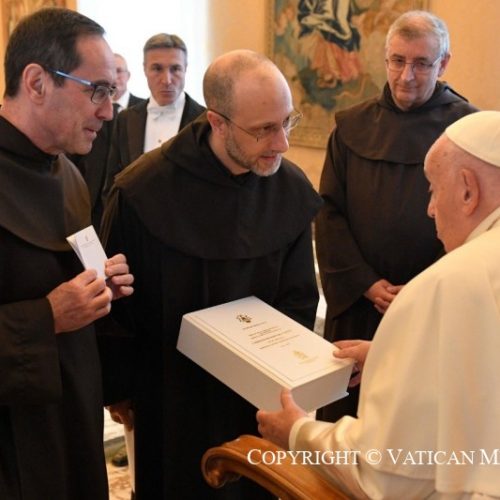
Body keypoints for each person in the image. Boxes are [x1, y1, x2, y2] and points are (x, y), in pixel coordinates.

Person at [99, 49, 323, 498]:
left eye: (287, 122)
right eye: (264, 129)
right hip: (172, 397)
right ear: (218, 122)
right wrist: (118, 389)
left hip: (260, 401)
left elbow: (300, 297)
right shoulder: (143, 190)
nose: (282, 143)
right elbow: (117, 304)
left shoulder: (290, 188)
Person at [257, 110, 500, 499]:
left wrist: (298, 432)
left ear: (468, 191)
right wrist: (396, 356)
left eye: (433, 190)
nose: (430, 209)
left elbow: (388, 474)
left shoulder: (448, 281)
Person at [315, 10, 477, 421]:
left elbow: (478, 227)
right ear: (385, 58)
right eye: (398, 61)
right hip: (358, 301)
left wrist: (422, 290)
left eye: (421, 63)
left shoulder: (468, 131)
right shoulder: (350, 127)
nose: (407, 76)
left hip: (431, 306)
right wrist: (366, 284)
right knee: (345, 420)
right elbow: (328, 213)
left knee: (412, 422)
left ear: (443, 63)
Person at [0, 7, 134, 500]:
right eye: (96, 90)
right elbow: (53, 308)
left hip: (72, 423)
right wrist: (47, 317)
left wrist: (101, 288)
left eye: (111, 92)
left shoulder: (69, 174)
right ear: (37, 83)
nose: (108, 111)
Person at [102, 33, 205, 199]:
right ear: (145, 70)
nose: (167, 80)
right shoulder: (126, 119)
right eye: (157, 69)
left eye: (175, 69)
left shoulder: (204, 120)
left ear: (185, 68)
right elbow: (113, 186)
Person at [70, 53, 145, 231]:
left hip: (127, 205)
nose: (115, 77)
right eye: (111, 72)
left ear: (128, 76)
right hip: (89, 199)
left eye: (119, 71)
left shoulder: (143, 111)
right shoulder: (90, 108)